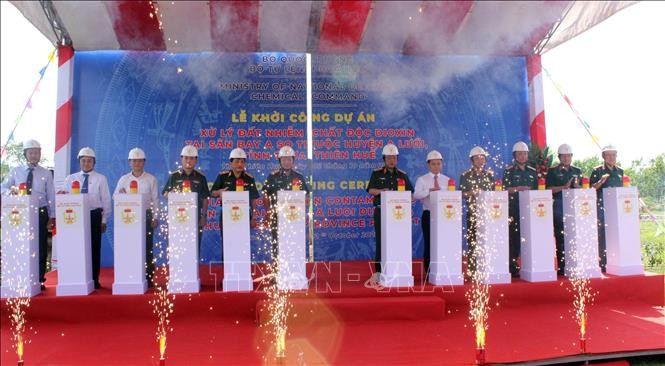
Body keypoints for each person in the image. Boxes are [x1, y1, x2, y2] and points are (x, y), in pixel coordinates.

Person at [1, 139, 56, 290]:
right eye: (31, 152)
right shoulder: (15, 171)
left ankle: (39, 279)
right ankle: (20, 277)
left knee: (40, 246)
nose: (34, 155)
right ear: (25, 154)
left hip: (40, 212)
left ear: (40, 154)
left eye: (36, 152)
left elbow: (51, 195)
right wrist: (10, 192)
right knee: (21, 245)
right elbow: (2, 187)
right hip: (20, 214)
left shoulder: (46, 173)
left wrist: (53, 217)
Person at [61, 147, 112, 289]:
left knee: (94, 248)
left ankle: (94, 279)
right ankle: (76, 277)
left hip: (94, 215)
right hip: (75, 218)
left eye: (89, 161)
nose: (86, 163)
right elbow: (64, 197)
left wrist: (103, 220)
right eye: (84, 160)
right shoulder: (70, 179)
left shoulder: (101, 178)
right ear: (79, 162)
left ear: (94, 162)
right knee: (76, 247)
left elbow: (106, 200)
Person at [366, 143, 414, 283]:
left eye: (394, 158)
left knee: (399, 240)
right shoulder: (377, 173)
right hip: (381, 211)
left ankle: (398, 270)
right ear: (384, 159)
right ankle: (379, 271)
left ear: (397, 159)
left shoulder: (402, 175)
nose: (391, 160)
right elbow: (370, 190)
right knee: (381, 241)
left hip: (399, 215)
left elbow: (410, 193)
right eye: (389, 158)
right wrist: (383, 192)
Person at [113, 148, 159, 285]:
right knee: (130, 246)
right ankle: (131, 274)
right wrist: (121, 194)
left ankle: (149, 277)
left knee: (147, 247)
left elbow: (155, 199)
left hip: (146, 216)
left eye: (140, 161)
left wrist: (155, 217)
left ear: (144, 162)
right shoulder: (124, 179)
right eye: (134, 161)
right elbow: (114, 197)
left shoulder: (151, 179)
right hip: (129, 218)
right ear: (129, 162)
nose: (137, 163)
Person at [211, 148, 260, 263]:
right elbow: (212, 193)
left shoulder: (249, 178)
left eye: (242, 161)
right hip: (226, 216)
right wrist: (219, 192)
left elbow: (253, 199)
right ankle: (227, 275)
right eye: (237, 161)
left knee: (242, 243)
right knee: (227, 242)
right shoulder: (223, 177)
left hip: (244, 216)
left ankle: (243, 271)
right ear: (230, 163)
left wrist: (254, 217)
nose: (240, 164)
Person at [262, 145, 310, 261]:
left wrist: (305, 213)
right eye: (284, 159)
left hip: (294, 217)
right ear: (280, 161)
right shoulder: (273, 176)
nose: (287, 162)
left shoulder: (299, 177)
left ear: (293, 161)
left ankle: (294, 272)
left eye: (289, 159)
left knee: (294, 242)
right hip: (277, 216)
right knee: (276, 244)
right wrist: (268, 211)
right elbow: (265, 195)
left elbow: (306, 197)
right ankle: (276, 273)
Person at [162, 145, 210, 252]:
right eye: (186, 158)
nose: (188, 161)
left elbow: (205, 198)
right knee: (178, 246)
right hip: (178, 217)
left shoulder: (201, 177)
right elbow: (165, 194)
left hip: (196, 218)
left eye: (192, 158)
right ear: (181, 159)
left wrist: (204, 216)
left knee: (195, 245)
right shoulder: (174, 176)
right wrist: (171, 194)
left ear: (196, 160)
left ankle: (194, 268)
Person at [502, 141, 538, 277]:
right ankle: (512, 265)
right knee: (514, 237)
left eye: (524, 154)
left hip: (531, 210)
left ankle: (531, 263)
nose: (522, 156)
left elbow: (538, 190)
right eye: (520, 154)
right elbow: (505, 189)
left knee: (530, 236)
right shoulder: (509, 171)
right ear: (515, 156)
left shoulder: (533, 172)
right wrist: (519, 189)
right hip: (514, 209)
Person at [545, 143, 582, 276]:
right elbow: (548, 189)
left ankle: (575, 263)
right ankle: (562, 266)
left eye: (568, 156)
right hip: (558, 207)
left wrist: (577, 188)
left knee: (574, 236)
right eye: (563, 156)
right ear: (559, 157)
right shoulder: (552, 171)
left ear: (571, 157)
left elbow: (582, 188)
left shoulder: (577, 171)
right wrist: (564, 187)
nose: (566, 158)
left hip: (574, 207)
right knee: (560, 236)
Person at [413, 150, 449, 280]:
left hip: (444, 217)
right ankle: (429, 271)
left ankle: (443, 269)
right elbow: (416, 194)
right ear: (428, 165)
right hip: (428, 214)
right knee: (429, 243)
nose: (436, 166)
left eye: (438, 164)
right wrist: (429, 191)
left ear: (442, 164)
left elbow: (452, 196)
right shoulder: (422, 179)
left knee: (443, 243)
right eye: (433, 164)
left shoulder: (447, 180)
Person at [459, 146, 494, 275]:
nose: (480, 160)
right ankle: (473, 270)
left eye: (482, 158)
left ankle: (487, 268)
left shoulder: (489, 175)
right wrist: (471, 193)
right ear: (472, 160)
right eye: (477, 158)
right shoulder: (465, 176)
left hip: (487, 213)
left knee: (487, 241)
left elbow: (493, 194)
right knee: (473, 241)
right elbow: (461, 194)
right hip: (473, 212)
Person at [589, 144, 624, 273]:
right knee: (603, 234)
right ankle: (603, 262)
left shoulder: (620, 171)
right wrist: (600, 182)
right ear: (603, 156)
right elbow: (590, 189)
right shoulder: (597, 171)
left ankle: (616, 260)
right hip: (601, 207)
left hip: (617, 209)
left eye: (613, 155)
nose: (611, 157)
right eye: (608, 155)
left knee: (616, 234)